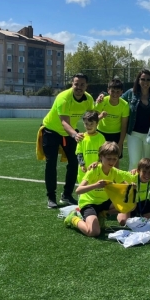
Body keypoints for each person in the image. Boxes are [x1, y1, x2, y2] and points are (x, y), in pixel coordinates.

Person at [41, 73, 94, 209]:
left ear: (86, 86)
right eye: (76, 84)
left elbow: (92, 117)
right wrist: (75, 135)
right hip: (51, 130)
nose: (79, 87)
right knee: (51, 163)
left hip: (71, 133)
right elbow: (64, 122)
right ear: (72, 84)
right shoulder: (63, 97)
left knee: (74, 162)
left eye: (82, 84)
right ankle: (51, 197)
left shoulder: (88, 99)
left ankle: (67, 195)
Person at [64, 142, 129, 237]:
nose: (111, 162)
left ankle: (102, 214)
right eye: (109, 158)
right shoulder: (94, 170)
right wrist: (95, 185)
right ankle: (73, 218)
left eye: (114, 159)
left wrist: (131, 186)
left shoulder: (114, 171)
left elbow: (126, 188)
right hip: (89, 203)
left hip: (104, 202)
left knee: (126, 203)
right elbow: (78, 190)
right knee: (94, 232)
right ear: (101, 156)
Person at [122, 69, 150, 169]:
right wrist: (103, 95)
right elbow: (116, 101)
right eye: (143, 79)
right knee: (134, 163)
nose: (145, 82)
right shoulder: (130, 94)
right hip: (133, 134)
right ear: (138, 80)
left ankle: (145, 185)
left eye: (148, 80)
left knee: (147, 164)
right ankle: (132, 184)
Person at [95, 78, 129, 166]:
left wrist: (120, 143)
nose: (115, 94)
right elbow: (94, 120)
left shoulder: (124, 105)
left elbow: (124, 126)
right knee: (100, 160)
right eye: (113, 91)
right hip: (101, 133)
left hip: (116, 135)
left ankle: (114, 180)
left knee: (115, 161)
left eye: (118, 92)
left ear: (122, 92)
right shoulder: (102, 101)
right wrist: (101, 116)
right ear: (108, 90)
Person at [115, 157, 150, 225]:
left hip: (144, 202)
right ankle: (120, 212)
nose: (147, 175)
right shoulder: (131, 177)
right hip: (129, 202)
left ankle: (137, 213)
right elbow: (115, 172)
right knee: (123, 222)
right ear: (138, 171)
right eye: (144, 172)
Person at [75, 110, 106, 183]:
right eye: (86, 124)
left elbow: (104, 153)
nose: (88, 126)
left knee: (95, 189)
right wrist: (82, 165)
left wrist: (98, 162)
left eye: (91, 124)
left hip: (97, 170)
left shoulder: (101, 137)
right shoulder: (81, 137)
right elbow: (79, 153)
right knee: (84, 191)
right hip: (84, 171)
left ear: (97, 123)